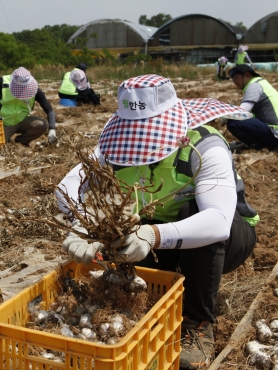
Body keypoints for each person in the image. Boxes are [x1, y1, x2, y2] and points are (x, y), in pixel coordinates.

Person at [57, 74, 258, 370]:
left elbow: (218, 221)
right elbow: (67, 187)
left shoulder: (205, 146)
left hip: (228, 239)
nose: (138, 146)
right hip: (156, 236)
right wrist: (84, 225)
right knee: (116, 225)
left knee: (192, 210)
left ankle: (197, 323)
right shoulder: (115, 149)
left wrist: (151, 235)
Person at [0, 67, 57, 146]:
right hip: (5, 122)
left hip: (22, 120)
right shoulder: (3, 82)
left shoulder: (34, 89)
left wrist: (52, 129)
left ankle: (21, 141)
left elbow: (48, 108)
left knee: (42, 125)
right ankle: (7, 139)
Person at [227, 64, 278, 150]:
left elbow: (242, 112)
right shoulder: (260, 82)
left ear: (247, 75)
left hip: (277, 134)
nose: (234, 82)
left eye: (236, 78)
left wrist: (225, 114)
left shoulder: (254, 86)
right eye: (233, 79)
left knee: (233, 123)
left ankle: (259, 146)